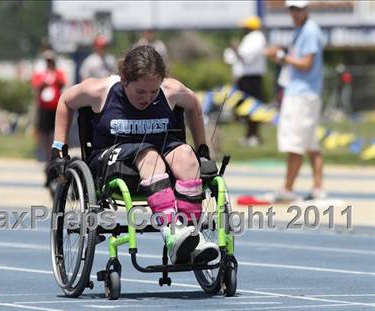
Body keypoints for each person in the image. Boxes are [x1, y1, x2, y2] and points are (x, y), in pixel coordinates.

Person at [49, 45, 218, 264]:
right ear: (124, 80)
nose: (147, 98)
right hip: (112, 156)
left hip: (161, 147)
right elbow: (65, 101)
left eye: (153, 92)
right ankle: (171, 232)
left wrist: (202, 149)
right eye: (140, 91)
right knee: (148, 154)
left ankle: (191, 235)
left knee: (187, 156)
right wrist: (58, 149)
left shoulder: (171, 90)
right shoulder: (99, 90)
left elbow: (194, 105)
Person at [266, 0, 326, 201]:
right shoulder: (301, 30)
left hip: (301, 93)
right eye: (292, 8)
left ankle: (287, 189)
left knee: (295, 143)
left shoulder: (309, 31)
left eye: (299, 9)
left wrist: (281, 56)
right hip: (304, 92)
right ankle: (318, 188)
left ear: (306, 9)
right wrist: (279, 56)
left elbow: (306, 64)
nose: (295, 12)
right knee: (310, 143)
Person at [223, 16, 267, 147]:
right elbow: (231, 58)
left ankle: (253, 136)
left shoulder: (257, 37)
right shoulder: (249, 39)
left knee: (253, 108)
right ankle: (249, 136)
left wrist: (235, 49)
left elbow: (245, 57)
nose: (243, 29)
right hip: (246, 79)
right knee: (246, 109)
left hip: (252, 79)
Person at [31, 50, 67, 162]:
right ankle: (46, 155)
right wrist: (44, 83)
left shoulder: (58, 73)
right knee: (44, 133)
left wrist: (55, 78)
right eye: (48, 61)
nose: (50, 63)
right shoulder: (41, 74)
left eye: (51, 61)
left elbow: (63, 83)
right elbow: (35, 85)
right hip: (44, 107)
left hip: (55, 106)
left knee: (55, 132)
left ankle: (55, 154)